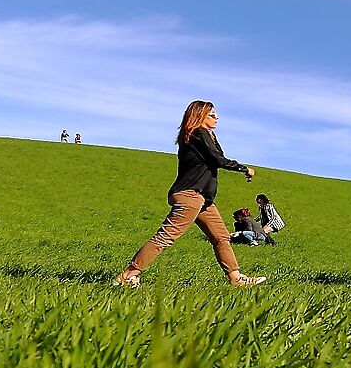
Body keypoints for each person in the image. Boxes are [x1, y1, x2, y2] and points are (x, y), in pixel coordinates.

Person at [114, 100, 267, 287]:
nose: (217, 118)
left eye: (216, 114)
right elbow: (218, 159)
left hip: (203, 199)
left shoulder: (200, 136)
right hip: (191, 196)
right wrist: (244, 169)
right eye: (211, 115)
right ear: (199, 117)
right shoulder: (198, 134)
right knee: (166, 236)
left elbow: (213, 157)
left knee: (221, 237)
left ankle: (236, 279)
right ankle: (128, 275)